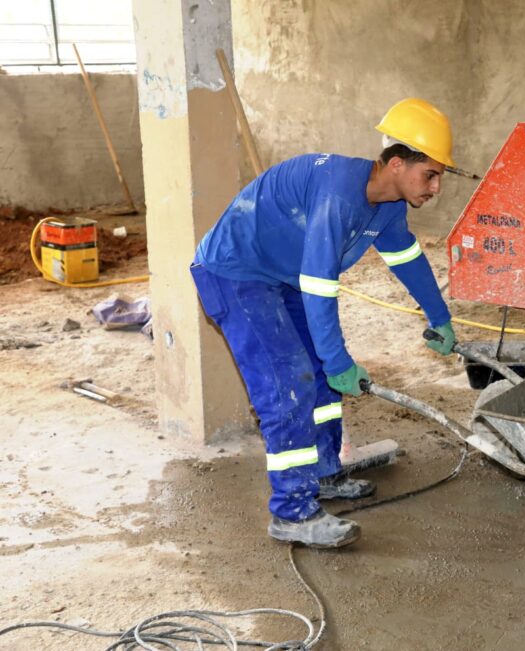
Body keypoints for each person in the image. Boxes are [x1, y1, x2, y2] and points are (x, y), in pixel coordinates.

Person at [190, 98, 458, 548]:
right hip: (236, 273)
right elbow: (319, 284)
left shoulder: (389, 206)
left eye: (438, 177)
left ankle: (323, 472)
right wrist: (338, 360)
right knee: (289, 383)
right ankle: (292, 512)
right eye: (429, 174)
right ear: (396, 163)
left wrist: (441, 317)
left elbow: (406, 259)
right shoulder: (338, 193)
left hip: (282, 275)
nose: (435, 188)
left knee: (320, 377)